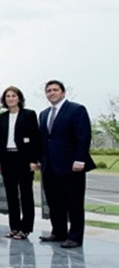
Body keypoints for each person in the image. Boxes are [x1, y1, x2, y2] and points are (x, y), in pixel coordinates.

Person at [39, 80, 95, 248]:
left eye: (55, 90)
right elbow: (44, 140)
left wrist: (80, 159)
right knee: (54, 201)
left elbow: (83, 136)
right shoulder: (44, 114)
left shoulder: (76, 109)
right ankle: (58, 232)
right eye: (48, 91)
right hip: (49, 165)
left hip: (71, 165)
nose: (52, 93)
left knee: (74, 202)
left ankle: (75, 236)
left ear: (63, 92)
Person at [0, 86, 40, 240]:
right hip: (7, 158)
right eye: (8, 96)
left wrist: (34, 160)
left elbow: (35, 138)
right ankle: (14, 226)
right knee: (11, 195)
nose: (11, 98)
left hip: (23, 158)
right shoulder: (2, 117)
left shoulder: (29, 115)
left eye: (13, 95)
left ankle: (26, 228)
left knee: (26, 194)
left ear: (19, 98)